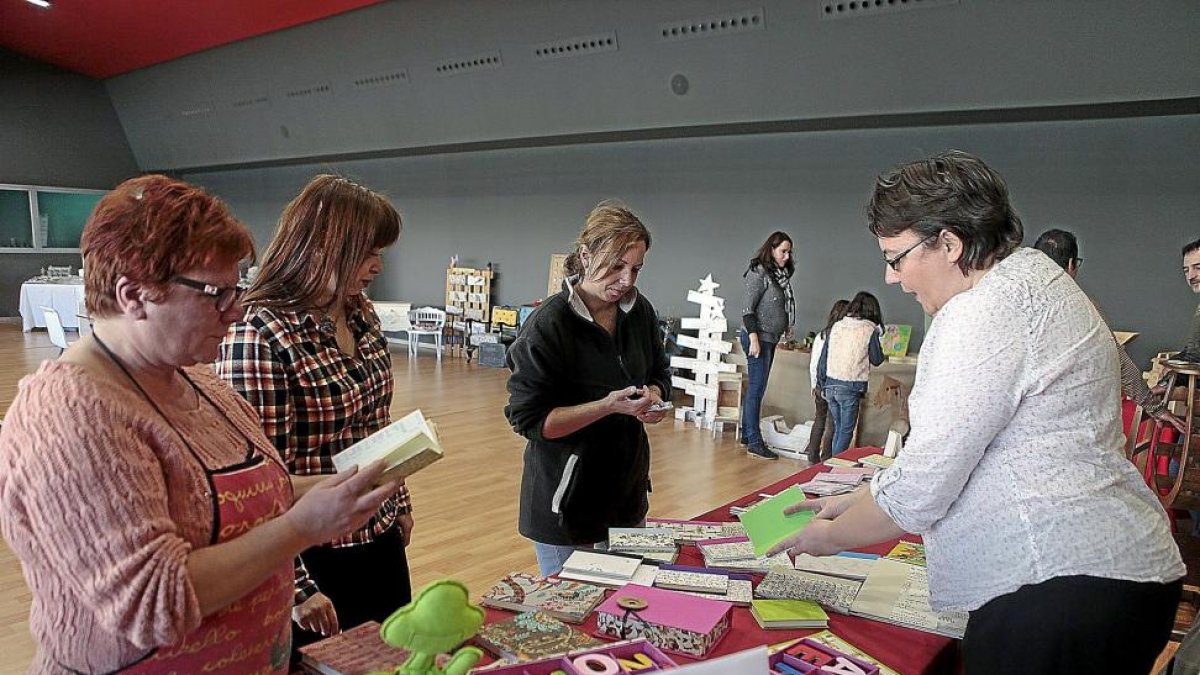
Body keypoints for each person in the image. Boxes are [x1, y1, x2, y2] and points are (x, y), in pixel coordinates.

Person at [770, 151, 1184, 674]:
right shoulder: (1034, 276)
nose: (891, 277)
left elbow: (924, 488)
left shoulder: (980, 313)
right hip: (1114, 571)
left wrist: (825, 539)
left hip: (1055, 584)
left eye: (896, 257)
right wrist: (859, 496)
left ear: (948, 243)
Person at [0, 175, 395, 674]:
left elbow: (249, 490)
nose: (236, 311)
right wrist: (303, 528)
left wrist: (342, 487)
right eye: (216, 294)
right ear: (135, 295)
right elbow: (153, 602)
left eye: (239, 290)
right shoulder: (70, 415)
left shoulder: (198, 381)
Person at [216, 175, 410, 653]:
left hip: (376, 534)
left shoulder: (360, 313)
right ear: (324, 247)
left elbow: (376, 425)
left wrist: (398, 504)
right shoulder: (258, 332)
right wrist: (298, 587)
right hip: (314, 555)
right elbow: (261, 479)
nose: (376, 266)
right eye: (368, 252)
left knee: (392, 661)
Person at [505, 201, 671, 576]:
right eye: (616, 266)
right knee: (572, 621)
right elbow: (532, 422)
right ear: (585, 254)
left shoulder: (639, 310)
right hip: (564, 503)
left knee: (624, 605)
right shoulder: (549, 324)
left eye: (636, 269)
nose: (627, 280)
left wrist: (654, 398)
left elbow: (660, 373)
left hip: (626, 495)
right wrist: (606, 407)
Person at [1033, 228, 1184, 432]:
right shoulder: (1082, 306)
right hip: (1070, 422)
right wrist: (1154, 407)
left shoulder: (1011, 303)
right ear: (1071, 264)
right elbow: (1118, 359)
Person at [738, 231, 796, 460]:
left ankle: (746, 434)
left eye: (789, 252)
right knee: (756, 390)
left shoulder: (779, 276)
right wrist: (753, 337)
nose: (787, 256)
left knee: (756, 388)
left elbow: (779, 306)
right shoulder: (759, 273)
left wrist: (786, 324)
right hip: (757, 339)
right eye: (783, 251)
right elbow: (747, 310)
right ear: (771, 250)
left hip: (770, 338)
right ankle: (754, 441)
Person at [818, 291, 885, 454]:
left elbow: (823, 357)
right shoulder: (870, 330)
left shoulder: (837, 325)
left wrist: (821, 383)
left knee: (838, 428)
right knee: (845, 432)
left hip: (830, 384)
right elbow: (877, 359)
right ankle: (834, 468)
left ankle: (830, 466)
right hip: (850, 386)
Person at [806, 299, 849, 463]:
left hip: (819, 385)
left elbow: (814, 363)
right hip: (833, 385)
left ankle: (812, 455)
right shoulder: (842, 338)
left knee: (819, 419)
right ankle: (827, 458)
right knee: (833, 423)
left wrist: (813, 383)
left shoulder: (821, 336)